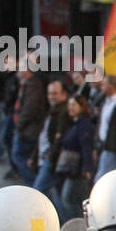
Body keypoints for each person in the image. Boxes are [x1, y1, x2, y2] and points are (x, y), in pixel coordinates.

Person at [55, 93, 96, 223]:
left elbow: (86, 146)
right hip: (74, 169)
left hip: (77, 170)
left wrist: (86, 168)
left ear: (81, 106)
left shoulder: (83, 124)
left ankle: (77, 224)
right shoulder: (74, 123)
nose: (70, 108)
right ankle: (79, 224)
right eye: (69, 105)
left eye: (73, 105)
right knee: (77, 199)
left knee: (69, 198)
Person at [33, 79, 71, 210]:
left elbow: (59, 139)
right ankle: (65, 224)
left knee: (38, 191)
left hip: (53, 160)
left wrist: (51, 157)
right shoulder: (53, 110)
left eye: (55, 93)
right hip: (50, 158)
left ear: (64, 94)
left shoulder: (63, 112)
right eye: (49, 93)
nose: (51, 97)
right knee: (59, 196)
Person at [10, 64, 47, 185]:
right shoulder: (26, 85)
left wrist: (19, 126)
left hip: (28, 129)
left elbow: (29, 109)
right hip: (26, 128)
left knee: (20, 156)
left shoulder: (33, 86)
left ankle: (35, 185)